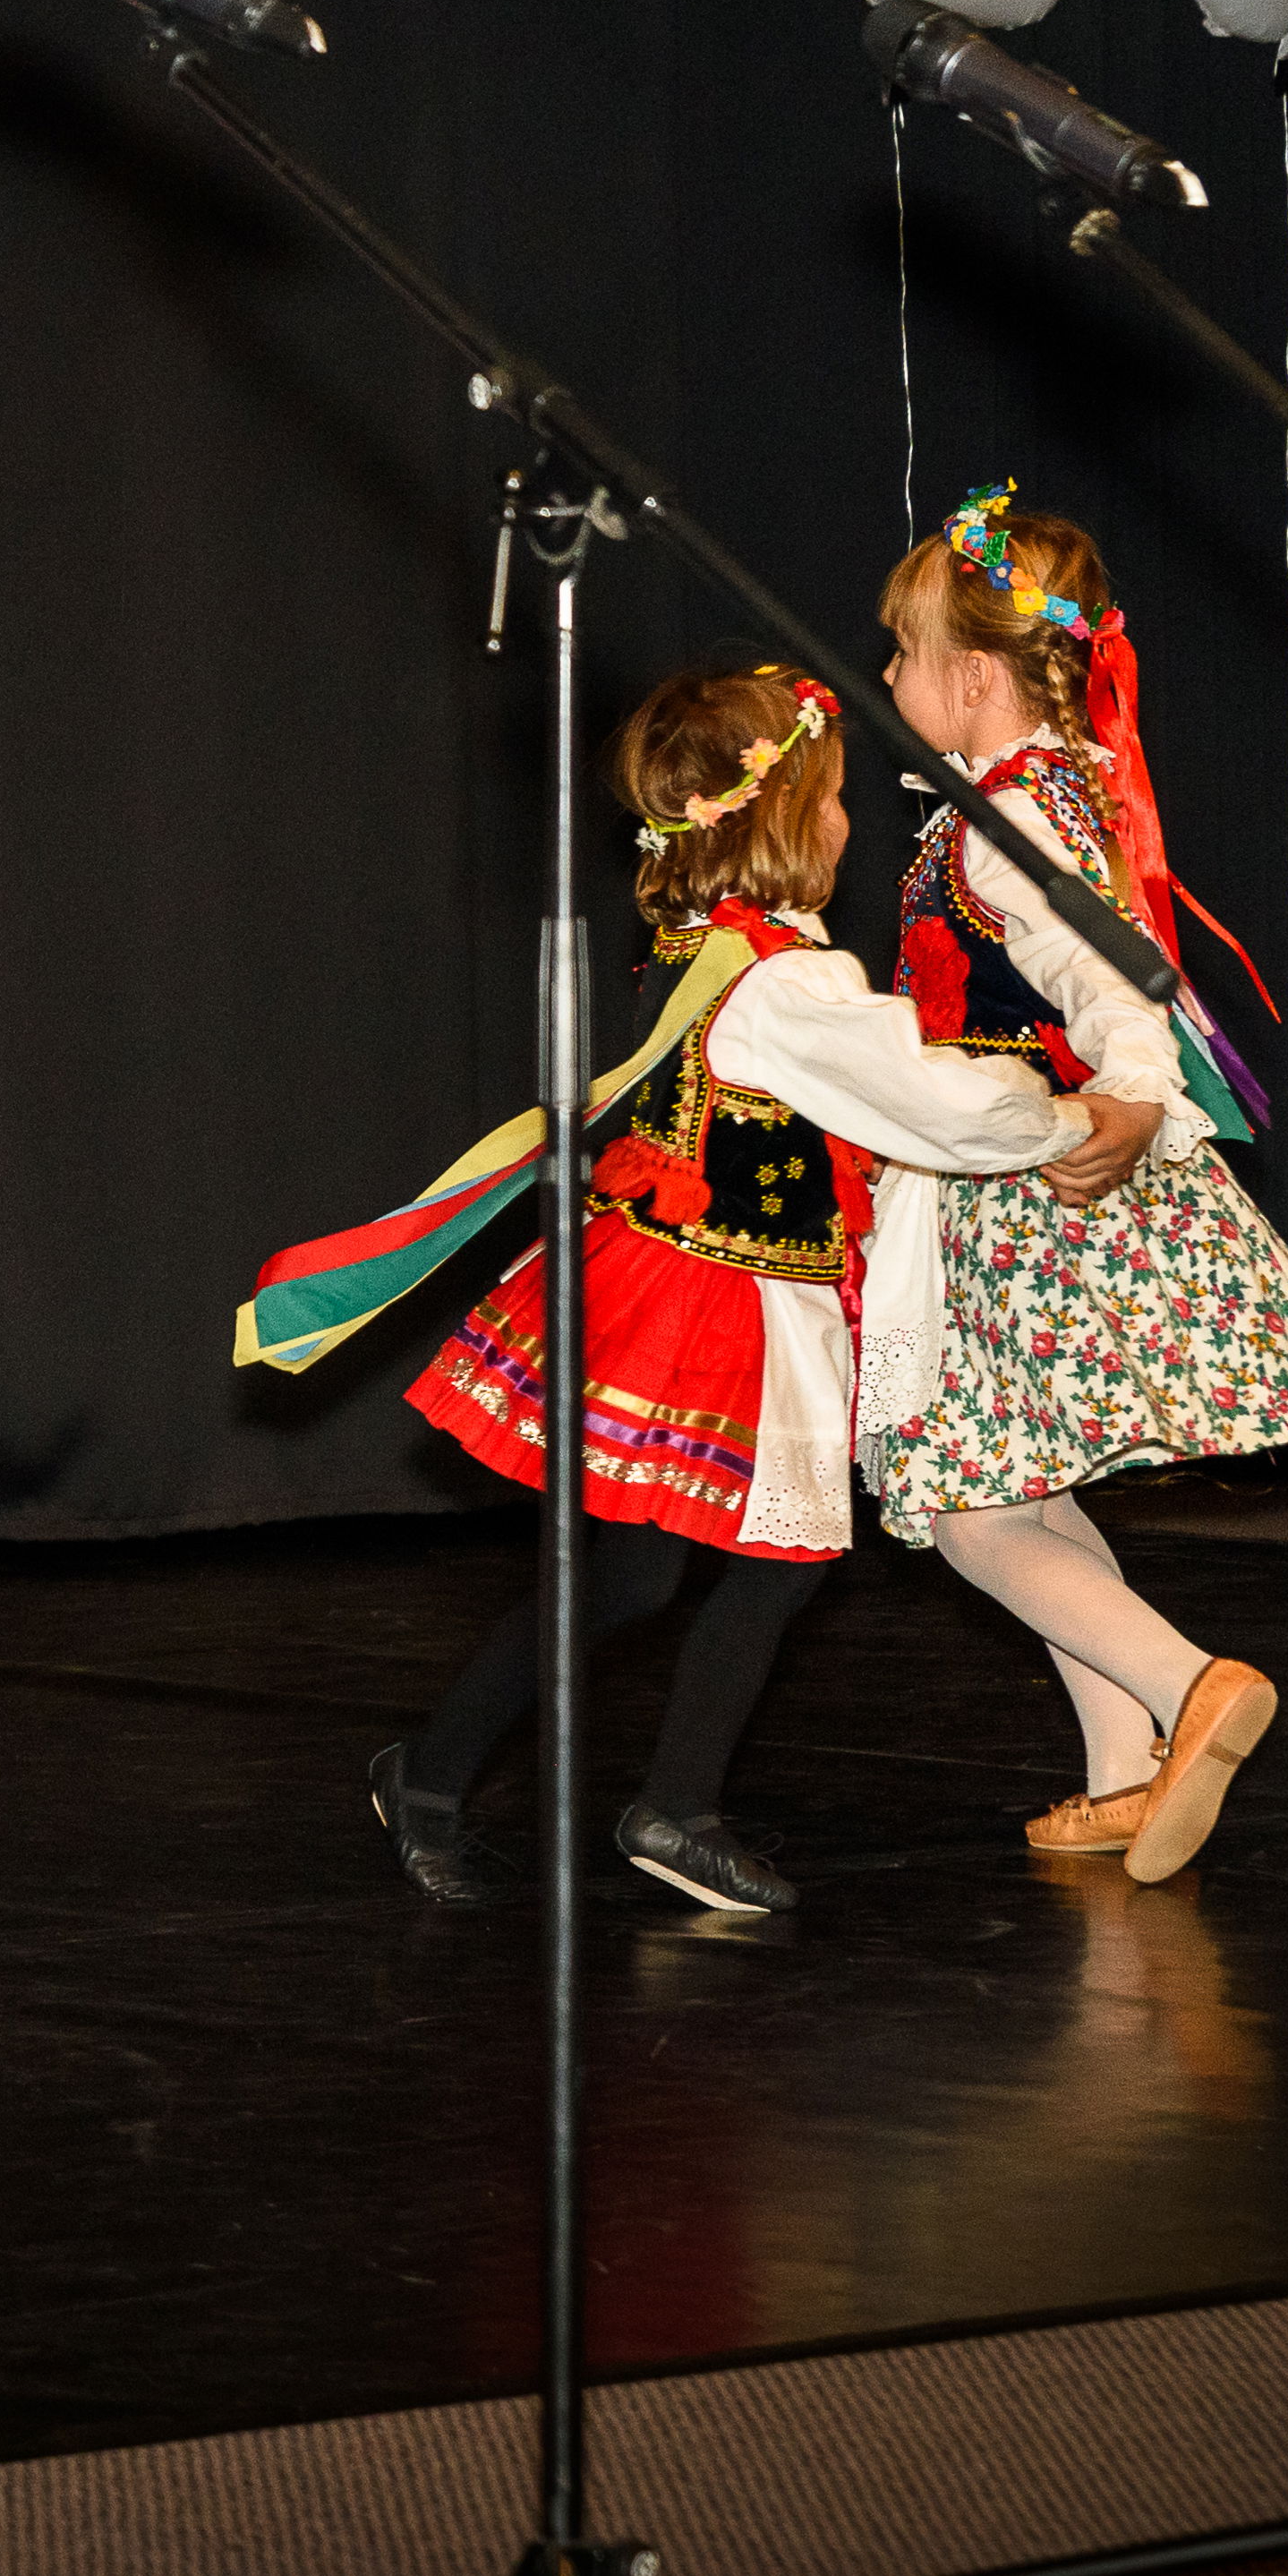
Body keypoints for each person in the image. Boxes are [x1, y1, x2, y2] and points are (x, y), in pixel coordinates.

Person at [274, 664, 1147, 1914]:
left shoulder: (721, 948)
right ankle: (654, 1804)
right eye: (836, 796)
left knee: (649, 1573)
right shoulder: (785, 980)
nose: (848, 820)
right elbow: (932, 1098)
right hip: (721, 1300)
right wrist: (1065, 1113)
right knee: (772, 1558)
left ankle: (446, 1772)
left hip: (726, 1283)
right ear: (783, 816)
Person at [867, 485, 1288, 1879]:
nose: (888, 681)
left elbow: (1100, 967)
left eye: (899, 656)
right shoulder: (1060, 788)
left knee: (962, 1507)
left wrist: (1135, 1088)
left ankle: (1188, 1678)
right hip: (1037, 1175)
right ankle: (1122, 1761)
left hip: (1025, 1189)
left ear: (971, 678)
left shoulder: (998, 822)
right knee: (1022, 1493)